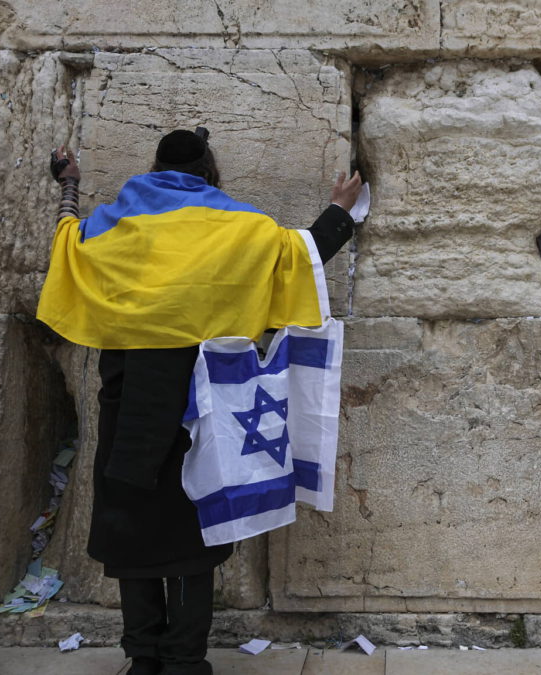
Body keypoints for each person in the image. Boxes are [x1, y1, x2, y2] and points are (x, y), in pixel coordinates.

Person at [42, 130, 361, 675]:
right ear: (210, 172)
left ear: (155, 167)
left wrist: (69, 185)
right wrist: (340, 208)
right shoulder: (239, 227)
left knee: (133, 526)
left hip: (131, 406)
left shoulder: (114, 225)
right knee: (193, 530)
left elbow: (66, 239)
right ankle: (186, 661)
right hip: (203, 406)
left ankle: (142, 658)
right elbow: (304, 252)